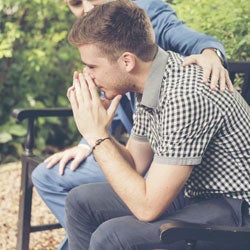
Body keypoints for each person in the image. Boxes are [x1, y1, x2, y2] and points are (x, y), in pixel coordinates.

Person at [32, 0, 233, 249]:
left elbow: (147, 208)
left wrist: (95, 135)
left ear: (127, 61)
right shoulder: (151, 82)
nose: (88, 76)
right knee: (80, 201)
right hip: (192, 194)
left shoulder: (183, 95)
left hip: (231, 209)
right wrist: (101, 132)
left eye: (92, 66)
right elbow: (136, 164)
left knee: (112, 236)